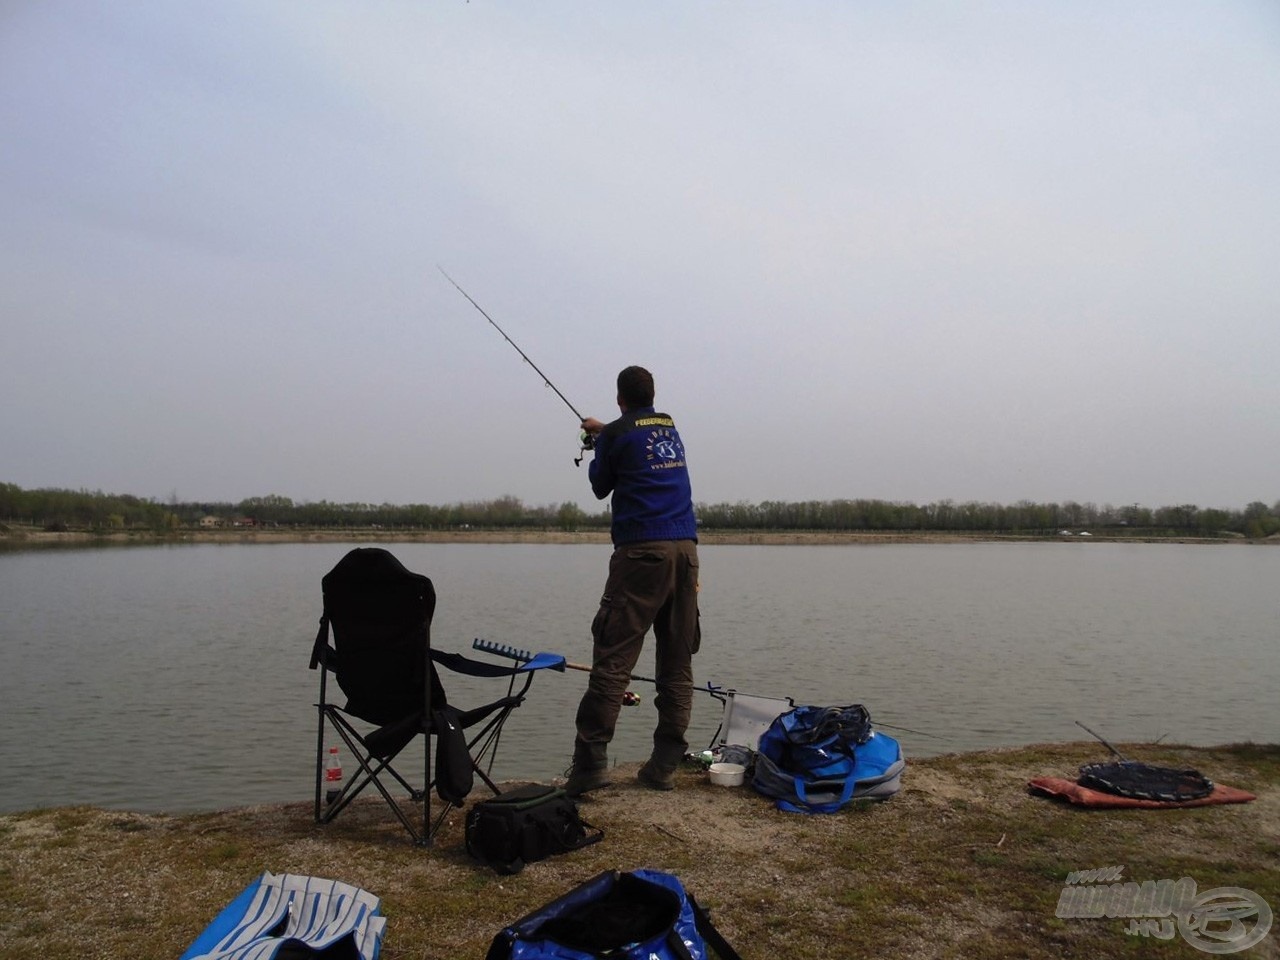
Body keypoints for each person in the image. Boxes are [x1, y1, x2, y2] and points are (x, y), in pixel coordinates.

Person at [564, 365, 700, 796]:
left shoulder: (619, 435)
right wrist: (605, 433)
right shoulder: (668, 428)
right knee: (677, 663)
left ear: (619, 397)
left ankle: (589, 769)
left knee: (613, 658)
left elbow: (600, 486)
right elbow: (631, 436)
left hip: (642, 552)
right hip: (686, 553)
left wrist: (598, 443)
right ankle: (663, 768)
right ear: (651, 395)